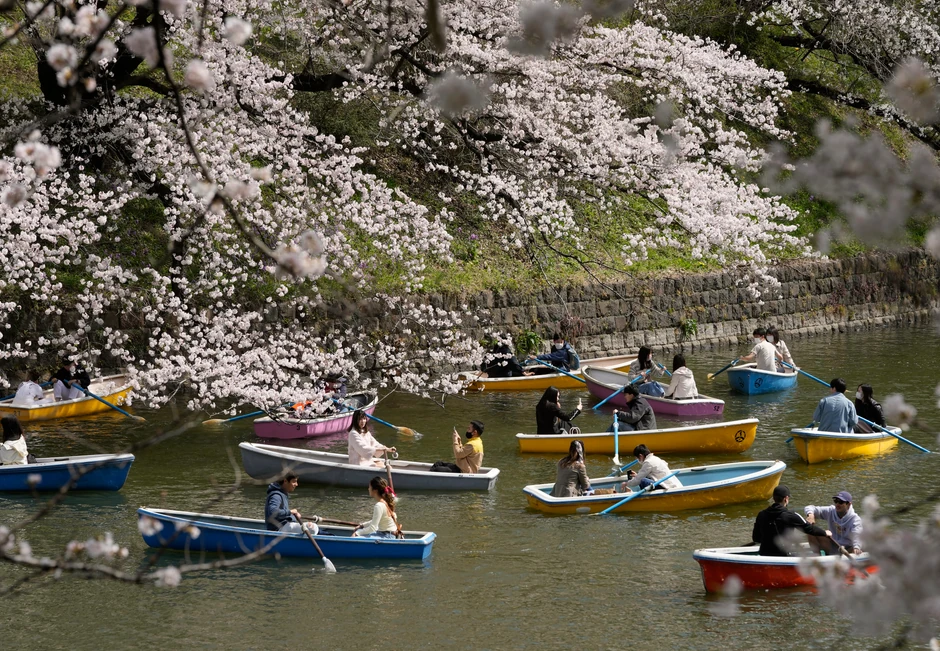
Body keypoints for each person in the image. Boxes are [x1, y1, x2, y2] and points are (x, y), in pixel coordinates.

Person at [752, 485, 832, 556]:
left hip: (764, 554)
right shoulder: (792, 515)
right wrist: (825, 532)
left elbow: (756, 538)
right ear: (786, 499)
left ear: (773, 498)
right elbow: (809, 529)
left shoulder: (761, 514)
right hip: (783, 556)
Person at [804, 491, 863, 555]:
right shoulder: (830, 511)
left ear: (848, 504)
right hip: (832, 545)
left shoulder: (855, 519)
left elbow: (857, 536)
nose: (837, 504)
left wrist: (857, 547)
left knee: (860, 547)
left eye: (840, 502)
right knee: (810, 530)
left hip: (847, 549)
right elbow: (809, 507)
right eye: (836, 501)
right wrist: (810, 514)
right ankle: (817, 557)